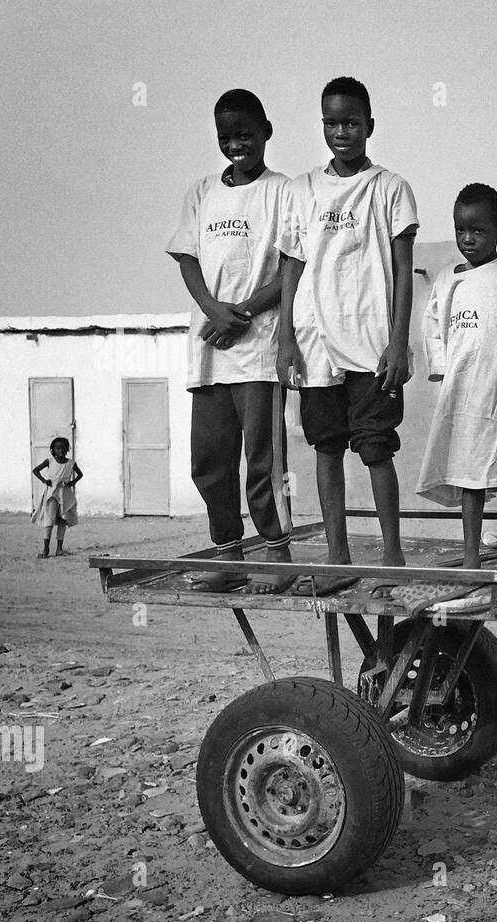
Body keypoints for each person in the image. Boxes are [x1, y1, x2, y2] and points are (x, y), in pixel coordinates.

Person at [276, 76, 417, 596]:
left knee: (376, 448)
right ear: (323, 125)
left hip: (371, 340)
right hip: (315, 342)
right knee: (327, 446)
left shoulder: (390, 188)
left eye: (352, 123)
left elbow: (403, 270)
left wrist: (398, 342)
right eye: (332, 123)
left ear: (369, 126)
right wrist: (285, 338)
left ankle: (392, 555)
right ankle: (338, 558)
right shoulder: (301, 190)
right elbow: (291, 265)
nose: (342, 132)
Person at [166, 88, 295, 593]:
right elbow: (187, 258)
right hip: (210, 348)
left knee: (264, 461)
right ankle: (228, 555)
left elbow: (291, 267)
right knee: (210, 460)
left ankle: (277, 554)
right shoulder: (201, 192)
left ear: (266, 131)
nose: (236, 144)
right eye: (226, 136)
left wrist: (242, 314)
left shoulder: (283, 191)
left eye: (245, 134)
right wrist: (213, 310)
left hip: (258, 349)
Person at [417, 183, 497, 581]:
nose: (468, 239)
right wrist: (444, 375)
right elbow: (433, 328)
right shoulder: (445, 280)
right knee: (470, 480)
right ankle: (471, 556)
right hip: (464, 397)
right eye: (461, 230)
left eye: (478, 230)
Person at [32, 437, 82, 558]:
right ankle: (46, 549)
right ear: (53, 450)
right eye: (58, 448)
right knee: (49, 521)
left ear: (67, 450)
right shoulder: (49, 461)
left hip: (65, 495)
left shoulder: (71, 463)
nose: (61, 451)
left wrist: (72, 482)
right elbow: (36, 470)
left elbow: (80, 474)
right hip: (52, 495)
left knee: (62, 521)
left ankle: (59, 549)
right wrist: (44, 480)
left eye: (63, 448)